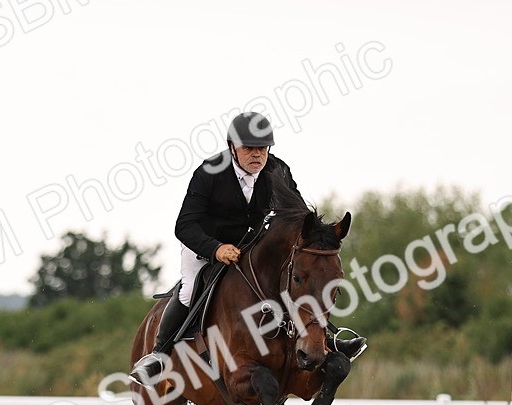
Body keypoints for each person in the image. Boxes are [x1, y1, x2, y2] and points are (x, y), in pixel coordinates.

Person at [130, 111, 365, 385]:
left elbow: (299, 216)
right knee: (189, 288)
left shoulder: (278, 170)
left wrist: (319, 238)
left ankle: (326, 338)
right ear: (232, 147)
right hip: (205, 245)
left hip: (252, 247)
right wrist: (216, 248)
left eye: (262, 148)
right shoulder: (210, 173)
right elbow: (184, 225)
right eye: (249, 148)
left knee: (293, 279)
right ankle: (159, 354)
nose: (257, 155)